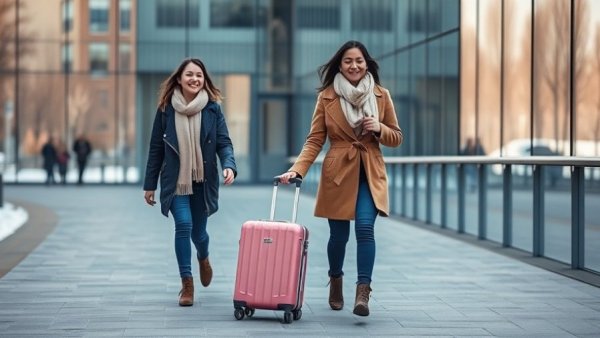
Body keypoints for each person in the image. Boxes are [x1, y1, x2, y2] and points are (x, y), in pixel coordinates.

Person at [278, 41, 403, 316]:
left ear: (367, 63)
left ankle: (362, 293)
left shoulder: (382, 95)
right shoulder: (327, 96)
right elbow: (315, 140)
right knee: (338, 236)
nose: (354, 65)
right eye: (348, 61)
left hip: (369, 173)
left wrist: (379, 128)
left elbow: (397, 137)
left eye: (359, 60)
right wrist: (297, 170)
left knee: (365, 229)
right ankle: (336, 278)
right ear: (340, 64)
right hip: (338, 172)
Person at [143, 57, 237, 307]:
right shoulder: (165, 109)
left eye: (199, 76)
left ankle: (203, 256)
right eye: (190, 75)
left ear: (204, 80)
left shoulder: (213, 109)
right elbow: (156, 149)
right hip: (176, 181)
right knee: (183, 225)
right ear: (179, 79)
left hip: (202, 180)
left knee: (199, 233)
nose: (195, 79)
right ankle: (187, 283)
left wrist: (229, 164)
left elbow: (224, 142)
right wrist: (149, 184)